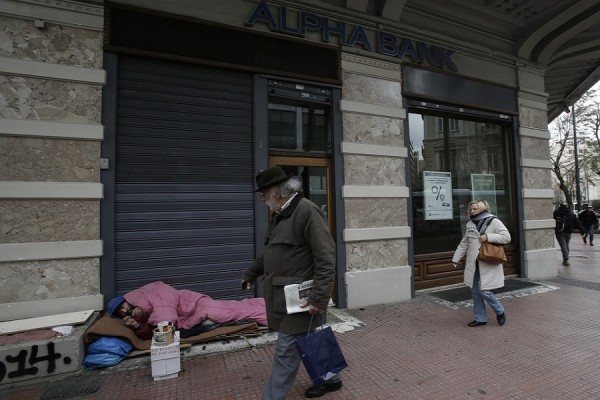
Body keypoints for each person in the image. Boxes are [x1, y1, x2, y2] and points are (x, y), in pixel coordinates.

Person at [242, 166, 340, 399]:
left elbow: (326, 257)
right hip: (285, 297)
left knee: (286, 351)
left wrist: (319, 297)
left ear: (277, 192)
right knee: (309, 336)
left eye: (264, 193)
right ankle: (331, 378)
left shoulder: (307, 211)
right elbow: (270, 253)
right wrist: (251, 273)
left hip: (299, 299)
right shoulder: (280, 216)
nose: (263, 199)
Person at [107, 281, 268, 339]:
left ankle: (271, 314)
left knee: (234, 311)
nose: (125, 311)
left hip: (197, 306)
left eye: (123, 307)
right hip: (190, 315)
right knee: (235, 308)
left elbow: (165, 314)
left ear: (127, 300)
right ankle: (263, 305)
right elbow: (151, 331)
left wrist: (164, 327)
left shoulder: (152, 292)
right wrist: (137, 325)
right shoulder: (140, 311)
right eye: (121, 313)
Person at [452, 199, 511, 327]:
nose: (472, 211)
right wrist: (456, 258)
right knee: (475, 291)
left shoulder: (494, 221)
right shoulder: (470, 224)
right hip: (474, 262)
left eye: (475, 209)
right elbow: (465, 243)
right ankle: (480, 318)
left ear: (483, 209)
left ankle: (499, 310)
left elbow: (506, 237)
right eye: (471, 209)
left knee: (484, 290)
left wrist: (488, 237)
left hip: (488, 261)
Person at [553, 201, 582, 266]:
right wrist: (582, 231)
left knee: (563, 246)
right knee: (566, 245)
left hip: (560, 232)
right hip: (568, 232)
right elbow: (577, 224)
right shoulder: (572, 215)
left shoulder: (557, 213)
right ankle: (565, 259)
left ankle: (566, 259)